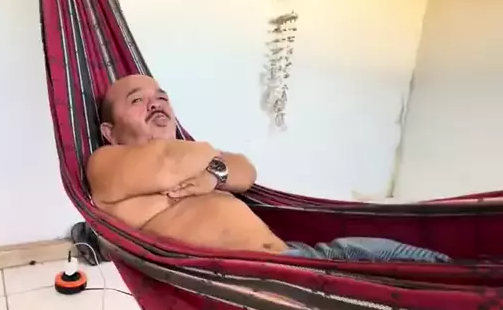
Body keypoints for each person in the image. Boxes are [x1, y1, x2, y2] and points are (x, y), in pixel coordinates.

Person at [85, 74, 450, 262]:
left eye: (161, 97)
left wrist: (214, 174)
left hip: (303, 257)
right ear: (109, 132)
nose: (156, 104)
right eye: (138, 100)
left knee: (441, 272)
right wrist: (209, 154)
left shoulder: (193, 158)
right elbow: (168, 161)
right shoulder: (105, 162)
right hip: (254, 282)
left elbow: (246, 171)